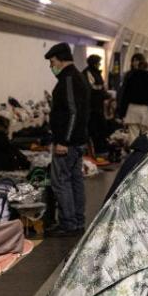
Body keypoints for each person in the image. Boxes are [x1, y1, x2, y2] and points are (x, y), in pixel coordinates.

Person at [44, 42, 91, 236]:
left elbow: (73, 112)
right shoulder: (76, 78)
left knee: (61, 182)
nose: (51, 66)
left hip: (69, 143)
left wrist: (63, 140)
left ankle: (68, 223)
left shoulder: (69, 80)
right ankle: (77, 221)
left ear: (61, 60)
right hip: (77, 140)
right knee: (75, 181)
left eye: (52, 61)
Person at [117, 52, 148, 144]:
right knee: (146, 134)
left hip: (132, 109)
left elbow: (125, 96)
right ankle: (144, 154)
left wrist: (122, 113)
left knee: (133, 135)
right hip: (145, 110)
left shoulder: (131, 76)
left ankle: (133, 153)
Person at [83, 54, 109, 154]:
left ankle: (101, 148)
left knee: (101, 127)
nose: (99, 64)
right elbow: (93, 88)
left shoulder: (96, 73)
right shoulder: (88, 73)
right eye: (98, 62)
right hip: (92, 107)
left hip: (98, 106)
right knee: (94, 129)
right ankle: (96, 149)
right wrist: (103, 93)